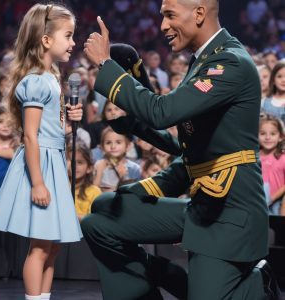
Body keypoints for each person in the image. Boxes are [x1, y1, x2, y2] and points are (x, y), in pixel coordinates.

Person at [82, 0, 282, 299]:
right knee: (101, 216)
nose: (162, 25)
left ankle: (257, 285)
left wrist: (105, 64)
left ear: (199, 13)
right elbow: (192, 147)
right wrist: (138, 127)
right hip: (202, 203)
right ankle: (156, 275)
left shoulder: (230, 63)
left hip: (230, 214)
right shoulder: (203, 60)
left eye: (169, 15)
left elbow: (163, 112)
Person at [0, 4, 83, 300]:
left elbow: (49, 131)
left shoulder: (52, 78)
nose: (73, 43)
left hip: (52, 160)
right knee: (40, 246)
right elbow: (30, 136)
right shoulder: (35, 82)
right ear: (45, 40)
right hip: (39, 166)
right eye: (68, 36)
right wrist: (38, 182)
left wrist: (69, 124)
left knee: (52, 245)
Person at [94, 126, 141, 192]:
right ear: (102, 147)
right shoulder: (98, 165)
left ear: (128, 146)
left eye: (118, 142)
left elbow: (133, 193)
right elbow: (92, 192)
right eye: (108, 143)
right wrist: (99, 172)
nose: (113, 146)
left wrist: (123, 177)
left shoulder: (134, 168)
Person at [66, 140, 101, 222]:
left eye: (80, 162)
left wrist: (73, 217)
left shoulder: (94, 191)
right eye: (70, 161)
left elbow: (93, 220)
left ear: (89, 168)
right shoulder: (59, 188)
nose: (74, 166)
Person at [259, 114, 285, 215]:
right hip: (257, 203)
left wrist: (271, 198)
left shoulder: (283, 158)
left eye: (273, 134)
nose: (267, 137)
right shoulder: (254, 157)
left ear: (280, 137)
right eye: (262, 133)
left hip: (276, 204)